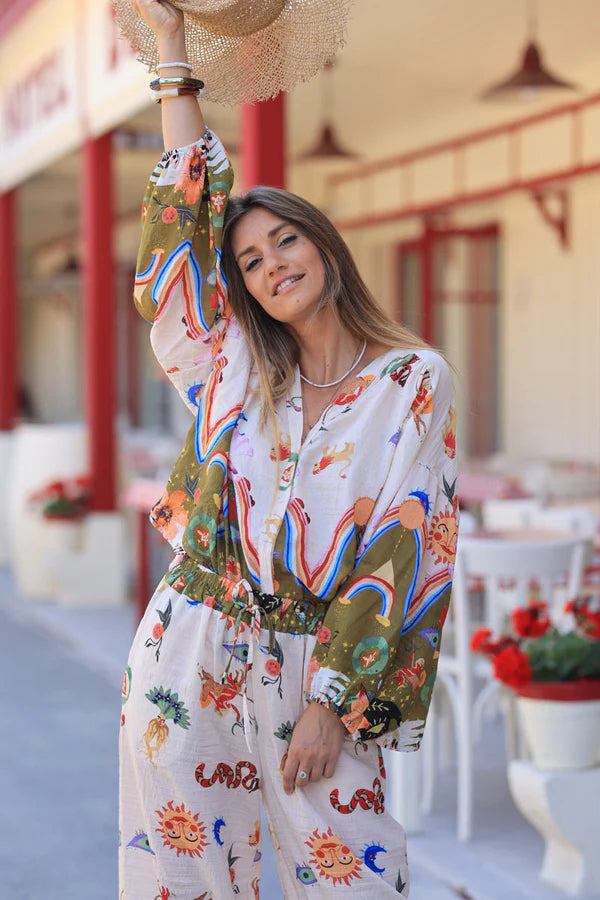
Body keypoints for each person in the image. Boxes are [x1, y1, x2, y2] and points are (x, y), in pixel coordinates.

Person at [119, 2, 458, 897]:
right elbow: (187, 217)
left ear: (326, 247)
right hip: (193, 637)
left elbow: (406, 538)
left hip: (320, 663)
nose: (273, 266)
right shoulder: (230, 367)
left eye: (287, 241)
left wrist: (331, 703)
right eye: (253, 261)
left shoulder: (411, 380)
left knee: (351, 875)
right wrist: (174, 54)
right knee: (188, 875)